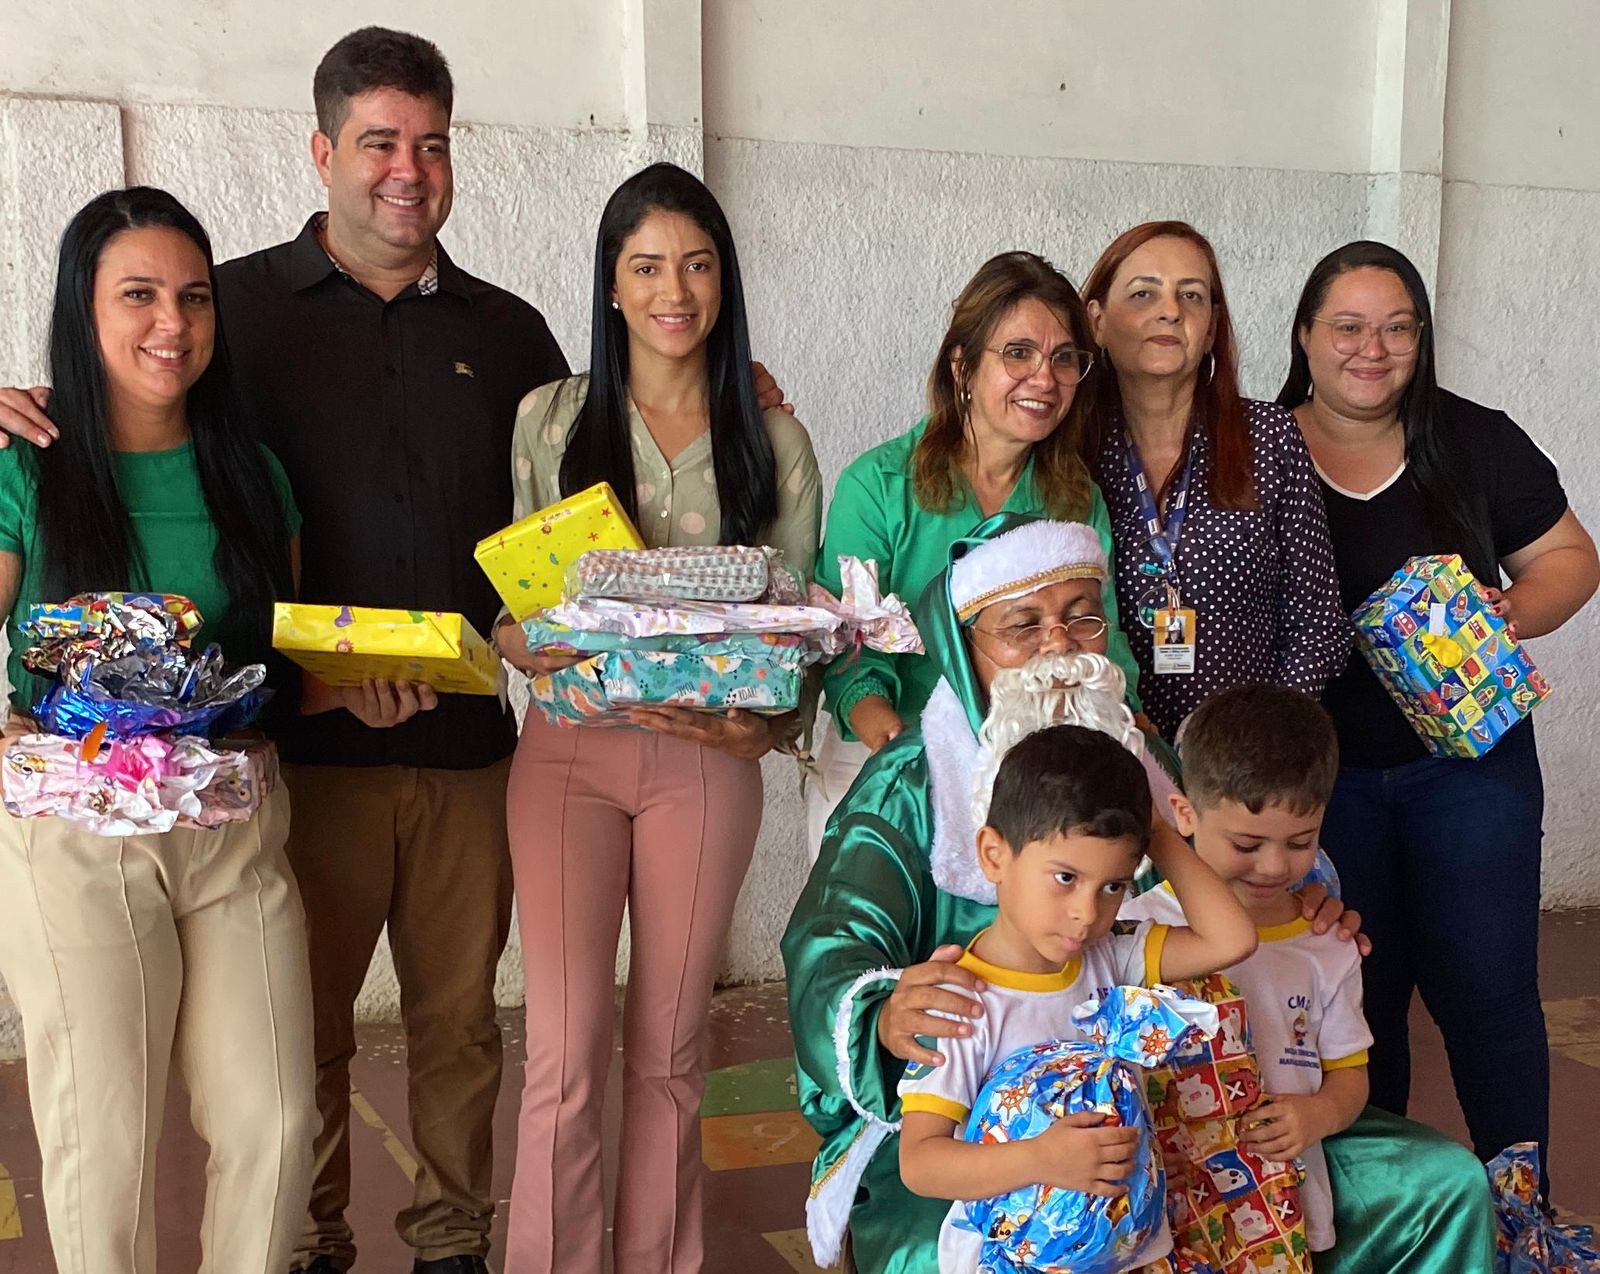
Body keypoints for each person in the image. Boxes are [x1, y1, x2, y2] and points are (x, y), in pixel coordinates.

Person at [782, 514, 1357, 1273]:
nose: (1058, 649)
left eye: (1082, 618)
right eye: (1023, 626)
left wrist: (1308, 906)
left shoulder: (1141, 762)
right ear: (965, 645)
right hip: (962, 1123)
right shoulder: (910, 783)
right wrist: (887, 1013)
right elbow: (828, 942)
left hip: (1166, 1104)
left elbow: (1251, 870)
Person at [493, 162, 821, 1273]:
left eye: (696, 264)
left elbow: (797, 632)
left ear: (724, 280)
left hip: (704, 762)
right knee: (565, 1050)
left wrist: (766, 729)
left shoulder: (770, 439)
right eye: (645, 267)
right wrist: (513, 639)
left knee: (672, 1052)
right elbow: (519, 602)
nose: (673, 290)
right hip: (567, 758)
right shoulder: (550, 419)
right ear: (611, 282)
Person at [0, 187, 314, 1274]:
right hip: (78, 846)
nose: (171, 323)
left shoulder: (252, 474)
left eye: (194, 297)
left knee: (276, 1121)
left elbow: (282, 653)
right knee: (106, 1145)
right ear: (82, 310)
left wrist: (370, 685)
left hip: (234, 833)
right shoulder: (25, 465)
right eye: (137, 295)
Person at [1277, 240, 1600, 1191]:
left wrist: (1509, 611)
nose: (1371, 349)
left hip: (1472, 770)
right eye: (1348, 326)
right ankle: (1385, 1213)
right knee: (1355, 1000)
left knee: (1489, 992)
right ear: (1305, 335)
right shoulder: (1263, 447)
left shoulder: (1474, 439)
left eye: (1397, 328)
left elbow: (1571, 561)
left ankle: (1522, 1213)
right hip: (1323, 781)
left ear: (1421, 338)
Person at [1123, 684, 1496, 1272]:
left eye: (1300, 842)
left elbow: (1349, 1075)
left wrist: (1316, 1116)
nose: (1274, 866)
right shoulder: (1135, 928)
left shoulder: (1328, 945)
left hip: (1278, 1208)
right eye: (1247, 843)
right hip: (1165, 1201)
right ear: (1184, 814)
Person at [806, 251, 1145, 861]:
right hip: (885, 754)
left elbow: (1103, 635)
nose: (1044, 378)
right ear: (961, 366)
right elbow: (847, 645)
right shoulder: (879, 485)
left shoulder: (1075, 498)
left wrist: (1135, 733)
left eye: (1063, 358)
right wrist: (900, 746)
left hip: (1033, 773)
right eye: (1018, 353)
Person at [898, 723, 1257, 1272]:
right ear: (994, 855)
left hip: (1129, 1256)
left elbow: (1232, 940)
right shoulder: (959, 1003)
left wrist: (1155, 832)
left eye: (1113, 886)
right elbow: (921, 1163)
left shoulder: (1110, 955)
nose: (1086, 914)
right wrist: (1039, 1159)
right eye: (1065, 877)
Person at [1078, 221, 1349, 739]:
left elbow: (1318, 622)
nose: (1170, 311)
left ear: (1211, 328)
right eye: (1143, 293)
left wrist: (1265, 739)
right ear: (1097, 320)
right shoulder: (1069, 451)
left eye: (1191, 296)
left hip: (1246, 757)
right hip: (1102, 754)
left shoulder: (1268, 435)